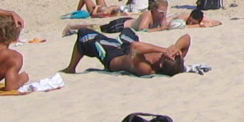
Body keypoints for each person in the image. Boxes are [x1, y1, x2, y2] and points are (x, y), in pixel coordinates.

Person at [62, 29, 190, 76]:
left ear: (161, 65)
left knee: (84, 35)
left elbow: (135, 47)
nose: (167, 53)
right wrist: (177, 47)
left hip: (113, 56)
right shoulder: (175, 60)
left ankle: (71, 68)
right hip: (126, 48)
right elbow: (187, 38)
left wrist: (164, 50)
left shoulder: (146, 69)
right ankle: (115, 39)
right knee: (129, 31)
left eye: (166, 55)